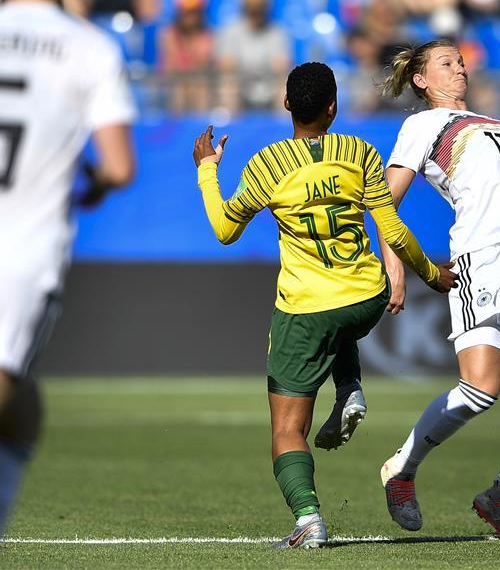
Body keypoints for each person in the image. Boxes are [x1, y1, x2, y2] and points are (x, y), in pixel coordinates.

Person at [192, 62, 456, 549]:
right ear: (334, 106)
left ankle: (309, 518)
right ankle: (349, 385)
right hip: (367, 298)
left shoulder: (268, 166)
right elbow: (392, 230)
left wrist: (208, 171)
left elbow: (225, 231)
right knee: (340, 324)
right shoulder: (359, 153)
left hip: (308, 309)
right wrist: (432, 275)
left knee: (288, 431)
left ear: (287, 104)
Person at [0, 0, 137, 567]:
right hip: (13, 262)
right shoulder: (87, 46)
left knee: (19, 414)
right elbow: (118, 165)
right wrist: (81, 183)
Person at [376, 40, 500, 540]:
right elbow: (384, 199)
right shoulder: (423, 125)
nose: (459, 67)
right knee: (481, 390)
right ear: (422, 80)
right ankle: (402, 468)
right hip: (483, 259)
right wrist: (396, 267)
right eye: (446, 63)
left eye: (461, 60)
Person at [216, 0, 291, 111]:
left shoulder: (276, 32)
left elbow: (280, 66)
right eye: (252, 8)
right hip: (241, 86)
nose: (256, 12)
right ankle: (230, 127)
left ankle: (284, 128)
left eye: (260, 8)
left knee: (284, 88)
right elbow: (226, 66)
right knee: (228, 86)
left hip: (269, 86)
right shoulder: (231, 32)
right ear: (245, 8)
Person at [158, 0, 215, 112]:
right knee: (179, 88)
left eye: (194, 12)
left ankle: (201, 126)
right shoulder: (168, 34)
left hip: (198, 85)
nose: (190, 16)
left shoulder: (206, 35)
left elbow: (203, 66)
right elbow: (172, 67)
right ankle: (177, 127)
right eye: (187, 12)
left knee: (201, 88)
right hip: (174, 85)